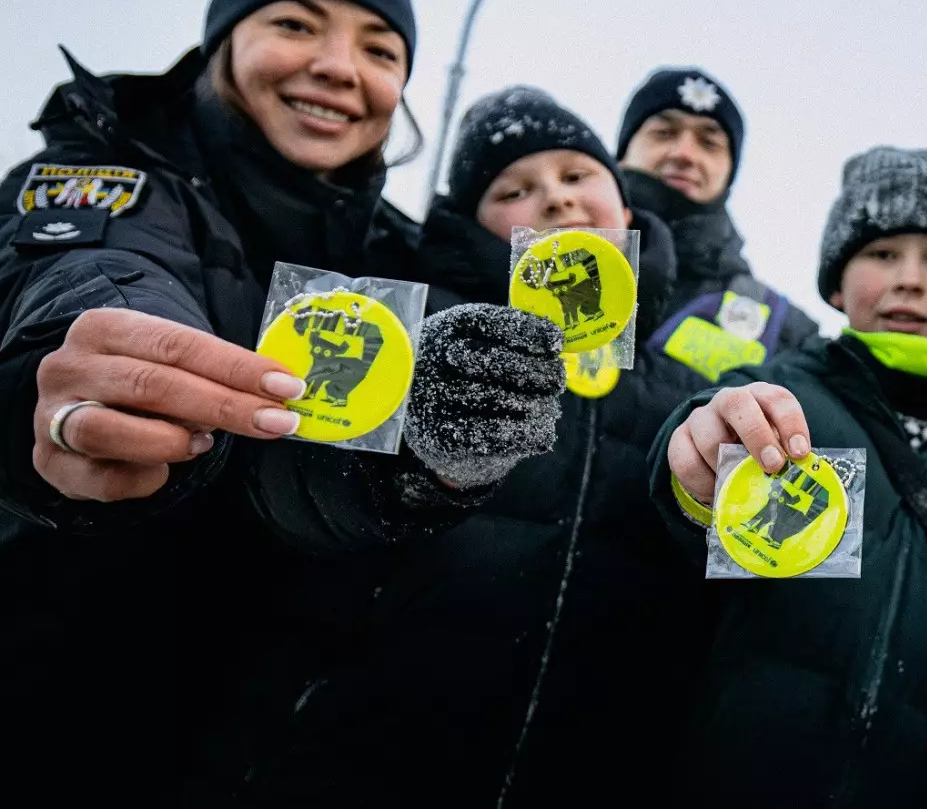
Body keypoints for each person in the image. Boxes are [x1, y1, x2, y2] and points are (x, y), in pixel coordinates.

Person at [0, 0, 565, 807]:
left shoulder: (404, 258)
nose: (340, 67)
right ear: (223, 42)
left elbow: (315, 486)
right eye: (296, 25)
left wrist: (433, 464)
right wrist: (100, 377)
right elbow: (98, 274)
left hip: (261, 737)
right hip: (54, 696)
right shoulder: (107, 169)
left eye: (380, 49)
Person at [235, 85, 708, 805]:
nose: (556, 200)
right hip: (364, 762)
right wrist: (419, 464)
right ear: (473, 225)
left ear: (627, 206)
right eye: (515, 188)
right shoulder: (396, 331)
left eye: (579, 176)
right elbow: (287, 488)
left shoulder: (688, 394)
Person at [650, 146, 927, 809]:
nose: (909, 280)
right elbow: (677, 509)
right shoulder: (773, 396)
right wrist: (695, 471)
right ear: (835, 281)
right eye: (881, 254)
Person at [616, 66, 819, 381]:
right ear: (621, 155)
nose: (685, 153)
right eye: (664, 133)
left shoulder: (784, 330)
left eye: (709, 143)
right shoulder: (544, 261)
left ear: (729, 175)